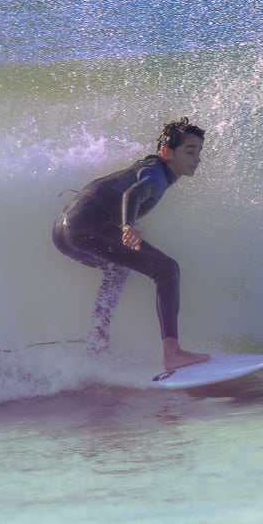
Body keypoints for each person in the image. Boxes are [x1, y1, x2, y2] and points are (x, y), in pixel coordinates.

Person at [52, 118, 211, 370]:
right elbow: (133, 194)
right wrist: (127, 225)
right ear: (166, 152)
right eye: (190, 151)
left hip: (63, 233)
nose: (198, 159)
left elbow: (106, 192)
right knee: (167, 269)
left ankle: (97, 343)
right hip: (85, 227)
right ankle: (173, 353)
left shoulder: (144, 168)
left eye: (199, 151)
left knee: (117, 269)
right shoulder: (157, 174)